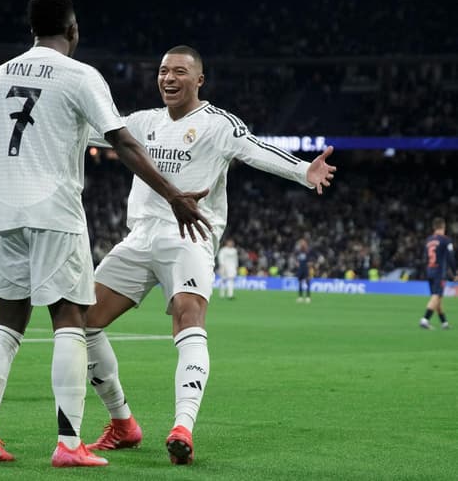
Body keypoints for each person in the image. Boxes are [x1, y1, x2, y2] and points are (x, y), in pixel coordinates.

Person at [0, 0, 211, 468]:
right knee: (70, 323)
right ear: (72, 30)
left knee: (7, 327)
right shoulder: (80, 76)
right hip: (56, 216)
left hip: (4, 217)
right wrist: (174, 194)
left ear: (32, 29)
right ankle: (69, 444)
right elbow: (125, 144)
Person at [82, 45, 337, 465]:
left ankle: (183, 425)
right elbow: (92, 130)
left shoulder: (218, 124)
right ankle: (123, 423)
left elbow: (255, 149)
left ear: (199, 79)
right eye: (163, 71)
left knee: (187, 317)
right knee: (83, 319)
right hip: (140, 235)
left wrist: (303, 171)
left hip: (189, 235)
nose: (168, 78)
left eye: (179, 71)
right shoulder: (142, 121)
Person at [420, 217, 455, 330]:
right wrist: (455, 272)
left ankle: (444, 323)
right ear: (443, 227)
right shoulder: (446, 240)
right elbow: (451, 257)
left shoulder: (428, 240)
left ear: (434, 227)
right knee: (436, 296)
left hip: (429, 270)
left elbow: (425, 256)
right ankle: (425, 319)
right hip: (439, 272)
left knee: (437, 297)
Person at [295, 239, 312, 303]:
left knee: (307, 283)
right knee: (300, 283)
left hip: (306, 269)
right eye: (301, 243)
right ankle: (300, 297)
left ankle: (308, 297)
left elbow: (310, 261)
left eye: (303, 243)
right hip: (300, 269)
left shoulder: (307, 252)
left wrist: (308, 265)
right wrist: (297, 263)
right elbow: (297, 260)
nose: (301, 244)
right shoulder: (298, 252)